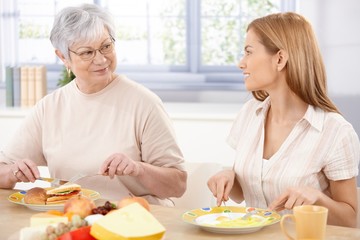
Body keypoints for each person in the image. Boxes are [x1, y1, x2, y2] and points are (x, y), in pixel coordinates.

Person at [0, 3, 186, 206]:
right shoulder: (49, 108)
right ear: (63, 57)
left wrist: (139, 169)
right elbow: (3, 171)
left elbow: (177, 186)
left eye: (106, 46)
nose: (101, 59)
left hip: (134, 221)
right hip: (74, 218)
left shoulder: (145, 103)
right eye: (87, 52)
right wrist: (13, 173)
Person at [207, 12, 360, 227]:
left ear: (280, 59)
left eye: (249, 52)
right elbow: (244, 192)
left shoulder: (335, 131)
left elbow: (351, 220)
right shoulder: (250, 113)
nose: (241, 63)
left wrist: (317, 199)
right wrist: (229, 177)